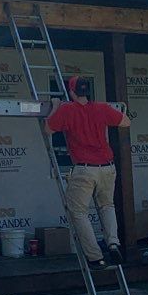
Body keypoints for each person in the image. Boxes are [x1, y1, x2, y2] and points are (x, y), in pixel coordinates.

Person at [44, 76, 130, 267]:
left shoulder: (67, 109)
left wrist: (56, 106)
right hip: (108, 167)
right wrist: (107, 113)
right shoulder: (101, 108)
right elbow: (126, 122)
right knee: (107, 206)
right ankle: (113, 243)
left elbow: (48, 129)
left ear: (72, 92)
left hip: (85, 169)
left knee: (78, 212)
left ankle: (95, 257)